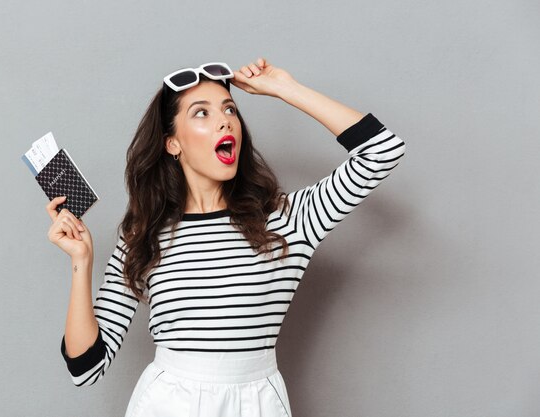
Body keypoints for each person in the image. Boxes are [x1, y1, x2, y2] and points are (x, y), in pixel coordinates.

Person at [46, 58, 406, 417]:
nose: (224, 120)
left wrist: (285, 88)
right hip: (167, 403)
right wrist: (82, 262)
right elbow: (86, 367)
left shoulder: (289, 220)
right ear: (173, 143)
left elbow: (382, 150)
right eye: (201, 113)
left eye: (229, 109)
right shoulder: (144, 236)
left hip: (257, 403)